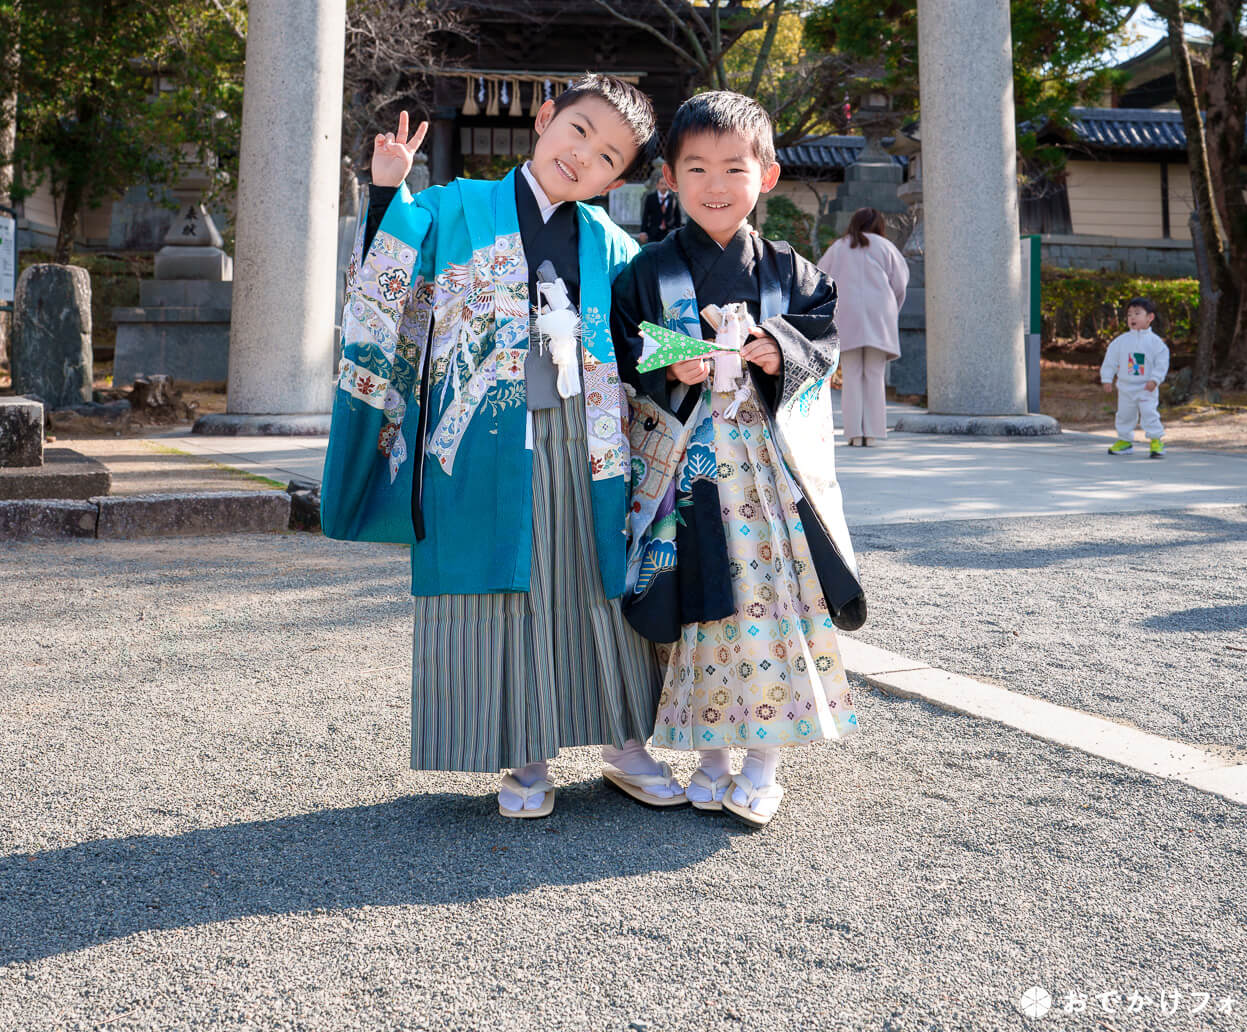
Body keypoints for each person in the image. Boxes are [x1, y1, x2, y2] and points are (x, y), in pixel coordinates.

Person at [321, 74, 689, 819]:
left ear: (618, 179)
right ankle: (521, 755)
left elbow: (641, 335)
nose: (584, 158)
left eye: (609, 157)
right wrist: (389, 192)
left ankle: (624, 741)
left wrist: (691, 352)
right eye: (579, 133)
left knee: (593, 577)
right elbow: (387, 289)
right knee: (499, 585)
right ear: (546, 119)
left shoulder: (612, 243)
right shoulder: (453, 206)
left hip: (589, 439)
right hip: (481, 435)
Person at [611, 90, 864, 830]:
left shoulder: (794, 273)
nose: (715, 185)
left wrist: (777, 349)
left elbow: (822, 341)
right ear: (670, 178)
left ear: (769, 174)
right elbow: (625, 348)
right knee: (697, 609)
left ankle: (763, 764)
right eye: (695, 169)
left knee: (773, 608)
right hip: (685, 471)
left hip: (768, 472)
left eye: (733, 167)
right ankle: (710, 759)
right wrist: (667, 366)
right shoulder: (649, 270)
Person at [817, 207, 910, 446]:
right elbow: (900, 284)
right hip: (880, 316)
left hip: (846, 316)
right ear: (879, 224)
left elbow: (820, 278)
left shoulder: (838, 247)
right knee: (874, 376)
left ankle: (854, 434)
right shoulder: (885, 247)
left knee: (851, 376)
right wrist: (891, 310)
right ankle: (873, 432)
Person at [1101, 295, 1169, 458]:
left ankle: (1155, 440)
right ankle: (1124, 441)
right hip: (1125, 387)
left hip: (1146, 387)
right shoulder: (1120, 342)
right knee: (1124, 414)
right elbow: (1110, 360)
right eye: (1129, 314)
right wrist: (1107, 378)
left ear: (1150, 317)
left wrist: (1155, 379)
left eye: (1137, 313)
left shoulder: (1155, 343)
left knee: (1149, 413)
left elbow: (1161, 362)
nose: (1132, 317)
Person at [639, 175, 683, 244]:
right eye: (661, 183)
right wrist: (643, 231)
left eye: (666, 184)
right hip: (654, 232)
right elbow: (645, 216)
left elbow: (678, 216)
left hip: (669, 233)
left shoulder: (673, 198)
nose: (664, 186)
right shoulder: (651, 198)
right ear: (657, 185)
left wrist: (678, 231)